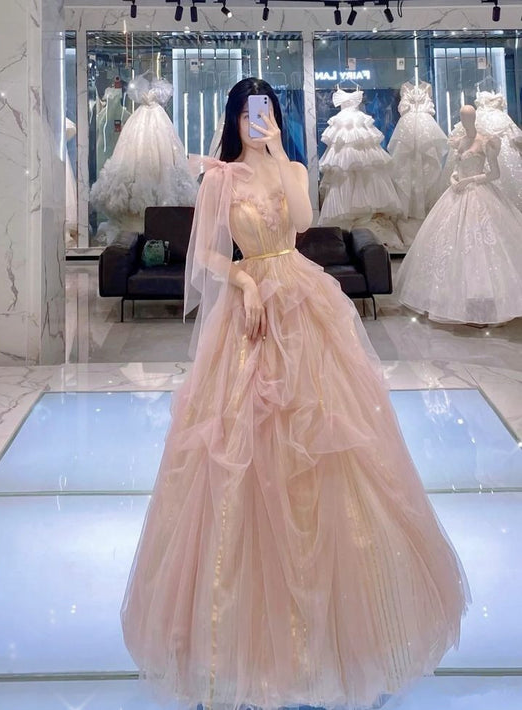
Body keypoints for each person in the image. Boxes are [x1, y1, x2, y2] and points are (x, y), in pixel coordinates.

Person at [121, 78, 469, 710]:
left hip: (303, 302)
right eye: (249, 113)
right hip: (249, 313)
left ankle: (339, 641)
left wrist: (281, 155)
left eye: (267, 112)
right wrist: (244, 284)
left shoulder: (292, 167)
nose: (259, 121)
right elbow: (206, 258)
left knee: (326, 440)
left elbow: (304, 222)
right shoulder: (219, 178)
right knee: (239, 443)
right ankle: (244, 648)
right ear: (233, 118)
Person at [396, 105, 522, 325]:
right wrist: (454, 179)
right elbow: (456, 167)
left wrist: (470, 180)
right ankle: (455, 300)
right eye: (462, 118)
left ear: (474, 118)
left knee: (480, 245)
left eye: (468, 118)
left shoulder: (486, 141)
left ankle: (484, 302)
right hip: (456, 194)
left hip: (480, 194)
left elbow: (495, 173)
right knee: (449, 243)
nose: (465, 122)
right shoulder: (460, 141)